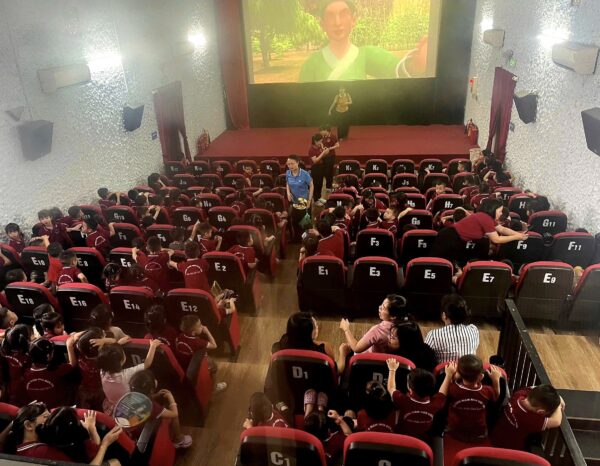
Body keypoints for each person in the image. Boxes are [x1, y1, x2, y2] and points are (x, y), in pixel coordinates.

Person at [299, 0, 428, 82]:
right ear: (322, 24)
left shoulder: (366, 55)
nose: (338, 22)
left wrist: (416, 64)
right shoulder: (311, 64)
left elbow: (394, 70)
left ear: (353, 20)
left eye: (344, 14)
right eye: (331, 16)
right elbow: (303, 102)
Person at [430, 198, 528, 264]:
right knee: (438, 263)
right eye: (500, 211)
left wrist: (519, 234)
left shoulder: (487, 218)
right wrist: (517, 237)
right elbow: (496, 239)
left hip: (453, 237)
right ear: (493, 209)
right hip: (448, 238)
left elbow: (502, 229)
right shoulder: (485, 218)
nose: (501, 213)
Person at [441, 356, 502, 443]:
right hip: (479, 433)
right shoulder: (487, 391)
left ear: (458, 374)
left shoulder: (452, 388)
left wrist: (449, 375)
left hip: (455, 431)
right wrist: (496, 380)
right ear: (481, 376)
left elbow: (442, 395)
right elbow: (497, 396)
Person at [129, 369, 193, 448]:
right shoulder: (153, 407)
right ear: (151, 390)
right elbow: (174, 414)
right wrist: (171, 398)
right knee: (172, 413)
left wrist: (156, 395)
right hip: (147, 433)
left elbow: (145, 398)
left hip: (136, 432)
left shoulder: (132, 397)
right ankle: (179, 439)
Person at [491, 384, 565, 450]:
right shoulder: (530, 419)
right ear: (541, 412)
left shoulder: (519, 395)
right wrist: (559, 406)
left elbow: (533, 388)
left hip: (495, 436)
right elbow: (556, 421)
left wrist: (557, 397)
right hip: (508, 448)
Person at [98, 339, 162, 415]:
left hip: (112, 405)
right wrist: (153, 346)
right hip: (128, 409)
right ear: (121, 361)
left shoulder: (102, 371)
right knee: (154, 382)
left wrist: (118, 345)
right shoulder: (125, 375)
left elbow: (107, 357)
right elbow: (147, 364)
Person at [386, 360, 447, 440]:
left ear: (409, 388)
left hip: (400, 437)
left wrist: (392, 369)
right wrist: (448, 375)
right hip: (422, 440)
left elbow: (391, 388)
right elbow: (442, 393)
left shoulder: (402, 400)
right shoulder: (436, 404)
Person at [42, 407, 122, 464]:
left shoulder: (53, 440)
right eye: (79, 421)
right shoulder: (84, 447)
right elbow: (95, 450)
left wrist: (91, 428)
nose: (82, 421)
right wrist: (105, 444)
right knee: (115, 462)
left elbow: (94, 447)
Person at [175, 315, 227, 393]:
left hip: (183, 363)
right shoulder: (197, 342)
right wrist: (207, 332)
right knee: (214, 367)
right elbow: (214, 345)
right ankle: (214, 387)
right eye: (200, 326)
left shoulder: (180, 336)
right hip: (195, 364)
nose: (202, 326)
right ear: (193, 332)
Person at [339, 294, 408, 355]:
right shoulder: (404, 328)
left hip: (367, 359)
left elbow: (356, 348)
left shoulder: (378, 330)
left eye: (383, 307)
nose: (379, 307)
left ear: (393, 316)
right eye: (381, 304)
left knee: (343, 347)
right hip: (385, 359)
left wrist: (346, 329)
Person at [424, 294, 480, 364]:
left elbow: (424, 356)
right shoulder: (473, 330)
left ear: (444, 315)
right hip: (469, 370)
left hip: (445, 370)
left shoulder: (433, 335)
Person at [24, 336, 77, 408]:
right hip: (59, 406)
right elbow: (73, 364)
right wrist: (69, 345)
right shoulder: (55, 370)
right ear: (48, 356)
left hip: (39, 408)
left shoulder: (25, 372)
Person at [0, 324, 32, 406]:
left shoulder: (3, 353)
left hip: (5, 397)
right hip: (22, 398)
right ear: (26, 339)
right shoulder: (28, 357)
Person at [285, 155, 314, 242]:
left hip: (305, 202)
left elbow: (311, 186)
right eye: (288, 164)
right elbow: (287, 183)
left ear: (297, 163)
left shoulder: (305, 174)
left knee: (306, 223)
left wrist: (309, 200)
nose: (290, 166)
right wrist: (288, 192)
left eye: (292, 163)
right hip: (294, 202)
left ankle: (308, 240)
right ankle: (297, 239)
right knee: (295, 222)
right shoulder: (288, 173)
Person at [308, 133, 333, 201]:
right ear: (315, 141)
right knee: (316, 184)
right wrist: (323, 153)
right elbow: (315, 161)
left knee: (320, 183)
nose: (321, 143)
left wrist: (325, 151)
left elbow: (322, 156)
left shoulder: (319, 147)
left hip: (321, 166)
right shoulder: (311, 149)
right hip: (315, 168)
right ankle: (316, 200)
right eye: (320, 141)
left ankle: (319, 197)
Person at [319, 125, 339, 191]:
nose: (321, 132)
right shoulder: (322, 136)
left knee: (329, 171)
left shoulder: (333, 136)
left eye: (322, 130)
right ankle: (329, 184)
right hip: (323, 156)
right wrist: (323, 148)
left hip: (331, 156)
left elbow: (337, 145)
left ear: (326, 130)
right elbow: (320, 143)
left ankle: (328, 186)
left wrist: (329, 148)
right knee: (325, 171)